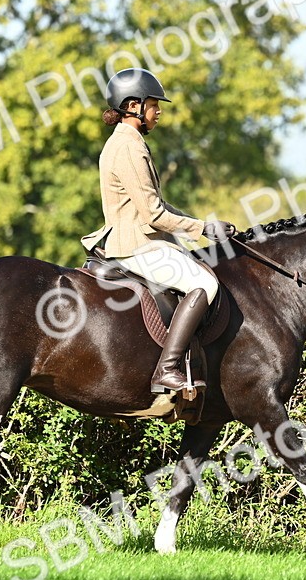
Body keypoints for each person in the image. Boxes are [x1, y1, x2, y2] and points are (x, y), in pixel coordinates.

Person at [80, 68, 237, 394]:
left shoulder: (123, 142)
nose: (159, 110)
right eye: (154, 104)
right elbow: (153, 214)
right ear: (134, 105)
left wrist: (202, 226)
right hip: (136, 245)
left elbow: (156, 205)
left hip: (139, 239)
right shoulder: (129, 147)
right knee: (204, 283)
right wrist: (202, 227)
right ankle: (166, 369)